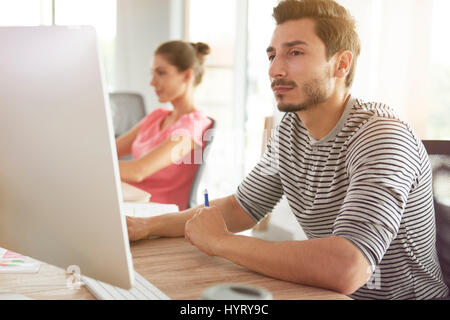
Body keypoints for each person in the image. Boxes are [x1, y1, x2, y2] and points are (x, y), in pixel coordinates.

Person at [126, 0, 449, 300]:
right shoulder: (291, 129)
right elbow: (241, 207)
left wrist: (221, 242)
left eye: (295, 53)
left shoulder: (381, 136)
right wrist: (149, 226)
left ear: (341, 64)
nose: (275, 70)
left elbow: (348, 267)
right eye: (272, 55)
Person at [116, 41, 213, 210]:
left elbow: (138, 171)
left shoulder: (193, 126)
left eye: (161, 73)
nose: (152, 82)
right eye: (152, 73)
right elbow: (110, 152)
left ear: (187, 76)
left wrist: (86, 166)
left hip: (157, 215)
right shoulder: (156, 117)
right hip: (131, 205)